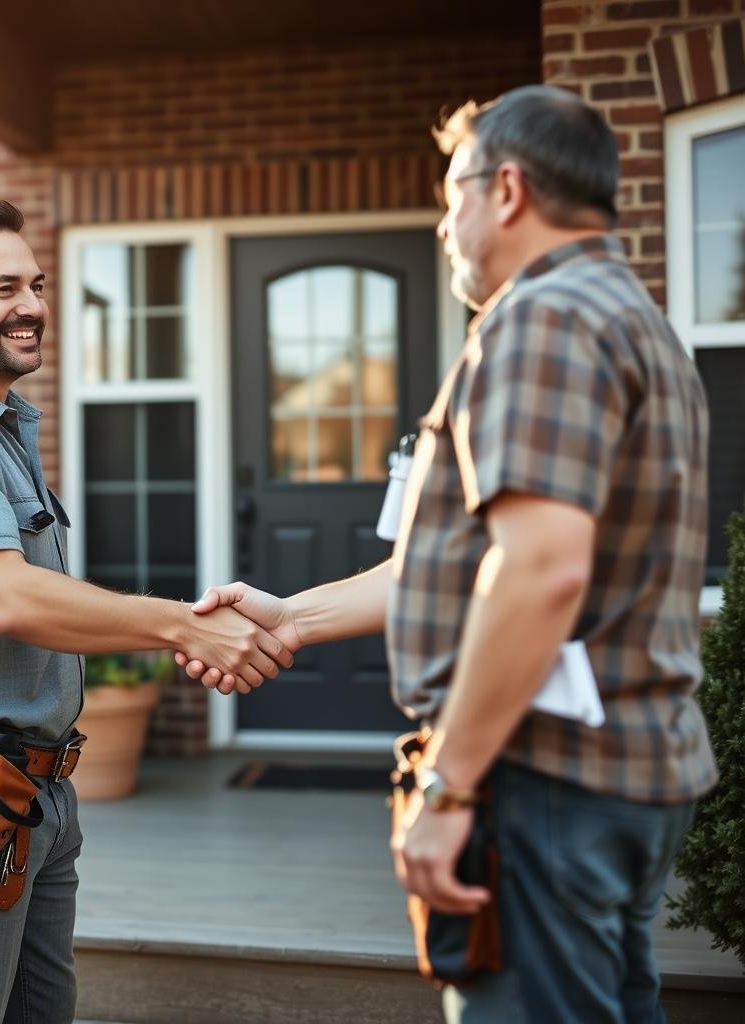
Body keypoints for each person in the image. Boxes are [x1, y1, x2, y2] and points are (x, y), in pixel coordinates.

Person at [178, 85, 716, 1023]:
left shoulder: (540, 321)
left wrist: (451, 785)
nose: (441, 224)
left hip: (540, 786)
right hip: (621, 781)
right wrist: (291, 618)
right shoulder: (639, 322)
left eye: (450, 193)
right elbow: (461, 566)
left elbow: (541, 572)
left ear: (506, 189)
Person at [0, 200, 293, 1024]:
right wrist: (185, 625)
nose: (34, 306)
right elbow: (6, 598)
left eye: (38, 285)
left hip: (25, 787)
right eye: (4, 287)